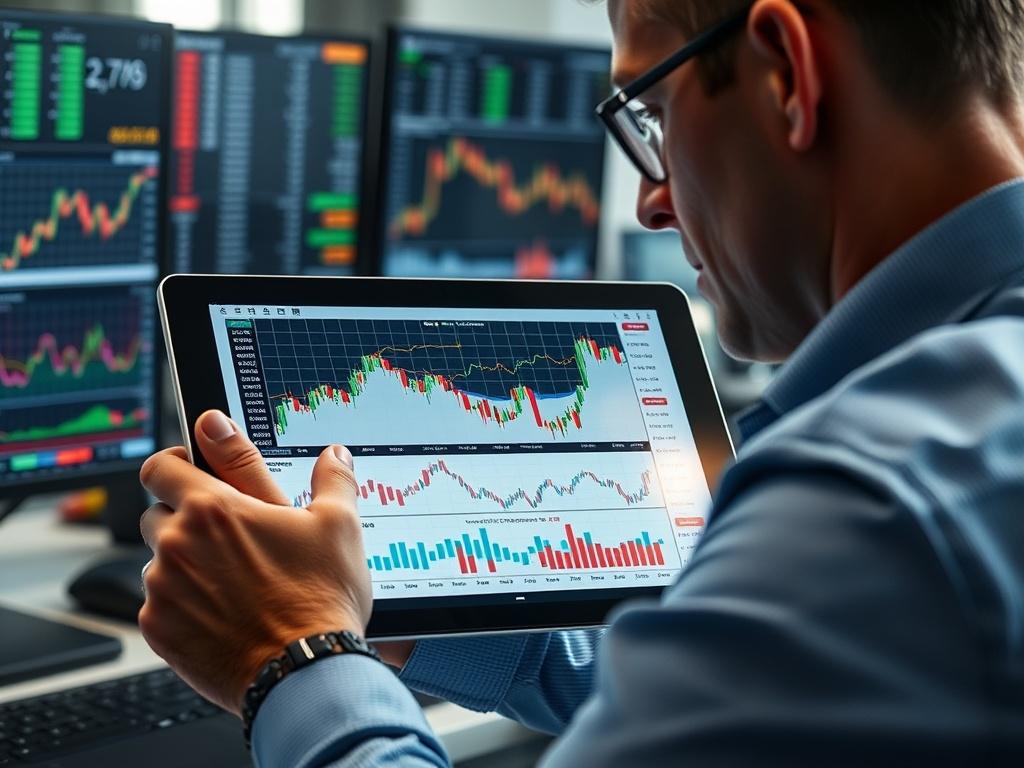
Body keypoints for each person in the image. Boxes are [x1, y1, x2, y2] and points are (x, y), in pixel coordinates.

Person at [138, 0, 1024, 764]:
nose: (651, 199)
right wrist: (373, 606)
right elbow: (729, 677)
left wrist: (292, 652)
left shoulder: (872, 500)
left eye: (653, 115)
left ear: (787, 73)